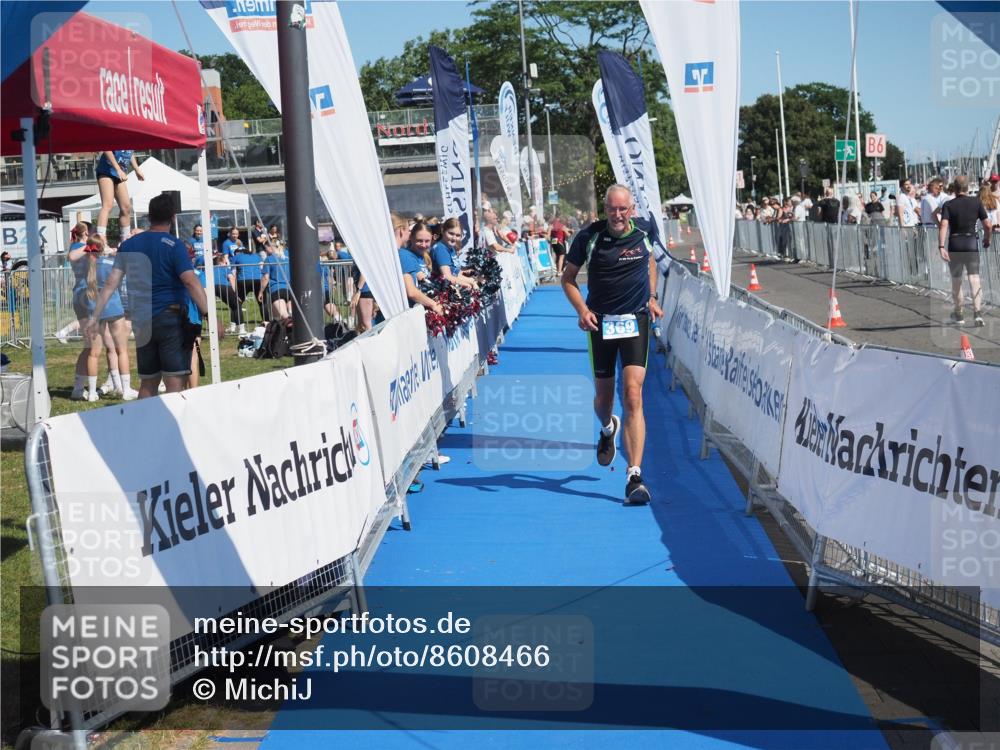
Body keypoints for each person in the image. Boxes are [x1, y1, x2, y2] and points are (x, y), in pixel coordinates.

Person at [560, 184, 664, 506]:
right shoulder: (588, 237)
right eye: (611, 209)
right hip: (601, 323)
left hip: (635, 320)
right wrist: (582, 311)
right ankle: (607, 428)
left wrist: (651, 296)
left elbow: (650, 261)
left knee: (633, 392)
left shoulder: (645, 230)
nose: (617, 215)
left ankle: (634, 475)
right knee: (604, 398)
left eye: (623, 209)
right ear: (603, 209)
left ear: (632, 209)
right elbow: (568, 278)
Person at [87, 192, 209, 398]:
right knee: (174, 383)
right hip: (170, 317)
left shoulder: (129, 245)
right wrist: (208, 314)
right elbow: (190, 280)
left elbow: (111, 283)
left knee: (148, 382)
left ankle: (144, 427)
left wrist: (95, 316)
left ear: (149, 217)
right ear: (172, 217)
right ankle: (170, 429)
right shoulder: (174, 245)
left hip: (142, 320)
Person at [939, 175, 991, 327]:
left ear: (954, 188)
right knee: (974, 279)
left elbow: (943, 226)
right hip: (970, 243)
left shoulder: (948, 205)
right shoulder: (976, 202)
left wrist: (941, 246)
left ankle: (959, 313)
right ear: (968, 188)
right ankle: (977, 314)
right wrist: (987, 238)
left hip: (955, 243)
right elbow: (987, 224)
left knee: (957, 281)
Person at [94, 149, 144, 241]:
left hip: (118, 174)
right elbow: (106, 149)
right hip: (106, 171)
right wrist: (118, 169)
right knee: (108, 205)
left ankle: (125, 239)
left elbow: (130, 153)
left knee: (126, 207)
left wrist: (137, 169)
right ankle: (100, 240)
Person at [398, 221, 444, 313]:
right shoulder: (407, 255)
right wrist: (433, 304)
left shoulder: (424, 256)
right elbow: (412, 291)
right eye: (419, 241)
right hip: (413, 310)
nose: (423, 245)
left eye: (427, 241)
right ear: (411, 237)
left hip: (425, 308)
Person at [431, 218, 478, 290]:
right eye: (451, 233)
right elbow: (447, 276)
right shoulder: (440, 249)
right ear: (443, 231)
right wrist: (468, 283)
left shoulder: (450, 247)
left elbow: (455, 273)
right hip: (444, 292)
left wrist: (471, 278)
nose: (454, 238)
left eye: (458, 235)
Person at [233, 243, 266, 325]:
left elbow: (233, 271)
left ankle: (236, 323)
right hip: (257, 279)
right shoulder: (256, 256)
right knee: (262, 302)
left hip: (243, 280)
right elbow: (262, 268)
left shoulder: (237, 256)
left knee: (237, 303)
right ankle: (266, 321)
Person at [261, 242, 292, 322]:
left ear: (271, 247)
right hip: (290, 289)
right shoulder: (289, 256)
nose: (265, 251)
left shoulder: (269, 259)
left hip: (276, 289)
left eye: (266, 248)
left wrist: (261, 292)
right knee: (290, 315)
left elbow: (266, 277)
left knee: (284, 317)